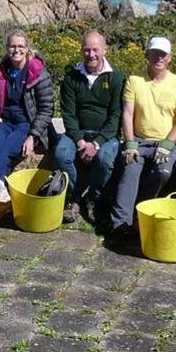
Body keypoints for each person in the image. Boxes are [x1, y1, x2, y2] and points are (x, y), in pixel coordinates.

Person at [104, 36, 176, 240]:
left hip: (164, 143)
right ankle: (120, 225)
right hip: (139, 141)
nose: (159, 57)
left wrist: (168, 144)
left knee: (162, 173)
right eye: (155, 53)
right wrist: (130, 142)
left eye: (163, 54)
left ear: (169, 58)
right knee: (129, 172)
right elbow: (127, 113)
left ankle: (140, 213)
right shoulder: (134, 80)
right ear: (146, 55)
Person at [0, 30, 55, 223]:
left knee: (4, 149)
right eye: (13, 46)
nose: (16, 50)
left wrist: (33, 136)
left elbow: (47, 109)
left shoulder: (38, 72)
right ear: (7, 48)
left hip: (27, 123)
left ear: (27, 48)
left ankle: (0, 201)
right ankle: (0, 188)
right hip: (3, 119)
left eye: (20, 46)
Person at [56, 30, 126, 224]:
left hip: (105, 135)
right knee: (62, 155)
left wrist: (95, 144)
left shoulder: (117, 78)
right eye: (87, 50)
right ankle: (75, 196)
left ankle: (93, 198)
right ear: (81, 50)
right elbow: (68, 114)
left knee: (104, 160)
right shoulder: (72, 77)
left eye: (95, 49)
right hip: (76, 133)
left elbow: (116, 116)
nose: (91, 54)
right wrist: (80, 141)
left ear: (105, 50)